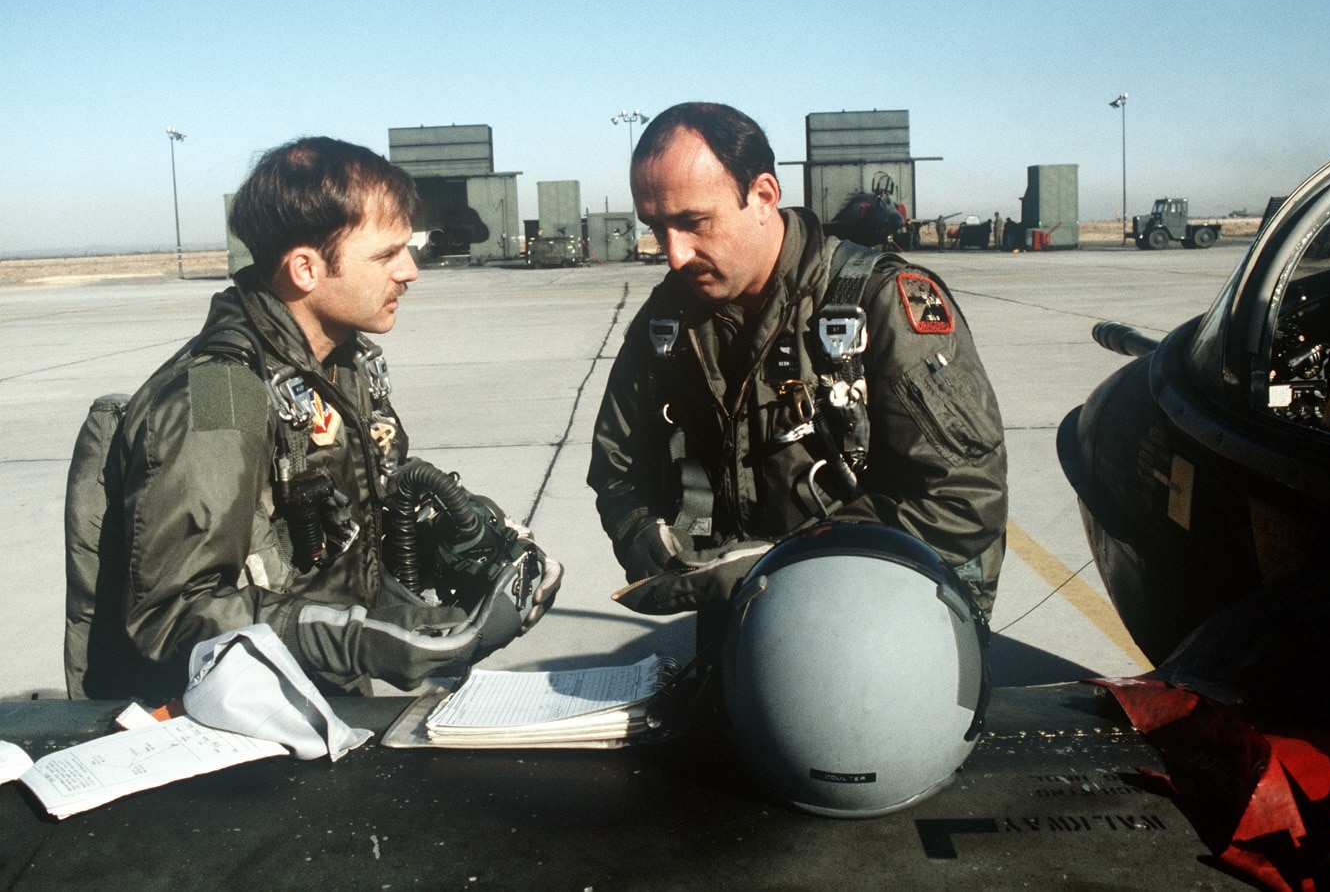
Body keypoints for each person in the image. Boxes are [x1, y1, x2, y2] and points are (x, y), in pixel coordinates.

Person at [74, 137, 558, 701]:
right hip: (244, 726)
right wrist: (357, 643)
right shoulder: (221, 392)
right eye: (385, 255)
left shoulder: (341, 365)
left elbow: (359, 520)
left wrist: (475, 544)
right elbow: (174, 611)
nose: (410, 271)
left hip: (323, 697)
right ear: (305, 267)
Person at [588, 103, 1008, 646]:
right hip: (742, 624)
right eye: (657, 228)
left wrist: (784, 563)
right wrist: (642, 532)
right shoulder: (669, 318)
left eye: (693, 223)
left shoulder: (881, 304)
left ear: (763, 197)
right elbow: (616, 463)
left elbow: (965, 497)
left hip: (879, 625)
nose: (674, 255)